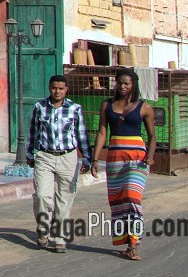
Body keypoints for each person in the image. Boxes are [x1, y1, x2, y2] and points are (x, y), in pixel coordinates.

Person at [92, 68, 156, 261]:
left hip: (138, 158)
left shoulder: (144, 107)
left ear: (133, 85)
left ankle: (134, 243)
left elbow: (152, 136)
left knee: (132, 198)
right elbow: (102, 133)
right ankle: (125, 241)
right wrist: (95, 159)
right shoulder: (107, 105)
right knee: (118, 202)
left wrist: (150, 155)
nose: (122, 86)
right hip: (114, 159)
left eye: (126, 83)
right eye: (119, 82)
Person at [25, 74, 92, 253]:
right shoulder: (40, 107)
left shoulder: (74, 109)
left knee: (65, 198)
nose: (57, 91)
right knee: (42, 196)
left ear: (66, 89)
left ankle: (60, 236)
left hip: (68, 157)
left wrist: (87, 158)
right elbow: (33, 132)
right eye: (54, 88)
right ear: (49, 88)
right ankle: (43, 228)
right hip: (45, 157)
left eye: (61, 88)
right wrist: (30, 154)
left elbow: (82, 134)